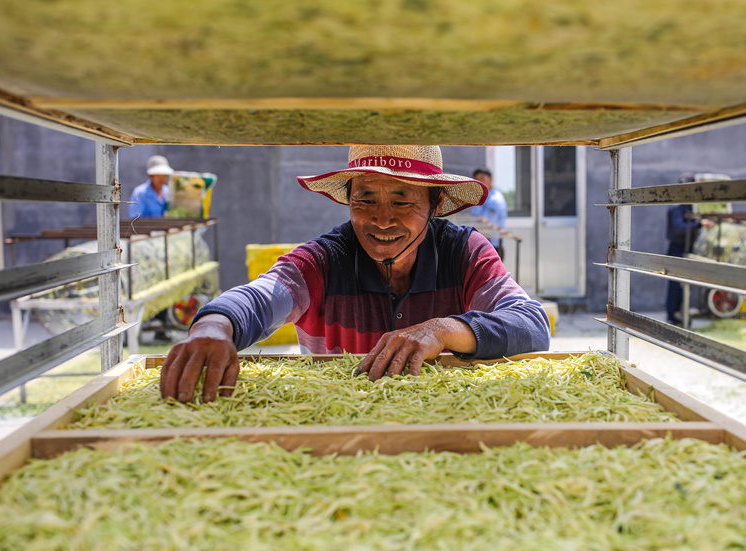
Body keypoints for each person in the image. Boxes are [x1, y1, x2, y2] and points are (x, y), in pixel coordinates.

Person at [160, 145, 551, 402]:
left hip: (443, 434)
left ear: (434, 205)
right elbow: (262, 296)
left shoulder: (463, 252)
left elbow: (531, 324)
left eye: (402, 200)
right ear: (348, 202)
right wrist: (213, 327)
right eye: (366, 199)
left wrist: (441, 330)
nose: (383, 219)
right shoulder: (324, 260)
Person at [665, 173, 713, 325]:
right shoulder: (678, 207)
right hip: (677, 248)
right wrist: (698, 224)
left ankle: (678, 314)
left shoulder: (687, 206)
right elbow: (679, 228)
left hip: (685, 247)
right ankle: (673, 315)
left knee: (681, 285)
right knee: (675, 285)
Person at [468, 167, 508, 260]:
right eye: (476, 180)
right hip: (481, 245)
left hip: (492, 247)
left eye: (482, 179)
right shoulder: (481, 197)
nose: (479, 182)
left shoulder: (495, 200)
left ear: (490, 179)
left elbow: (483, 225)